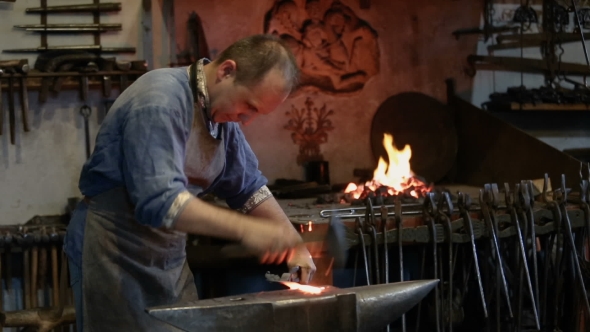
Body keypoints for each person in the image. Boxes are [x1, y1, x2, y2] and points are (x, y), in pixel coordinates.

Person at [63, 34, 317, 331]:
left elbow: (248, 187)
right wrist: (249, 230)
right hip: (112, 251)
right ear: (226, 71)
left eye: (255, 113)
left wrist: (294, 245)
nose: (246, 120)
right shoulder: (160, 101)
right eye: (248, 106)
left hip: (167, 257)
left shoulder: (220, 117)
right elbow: (160, 202)